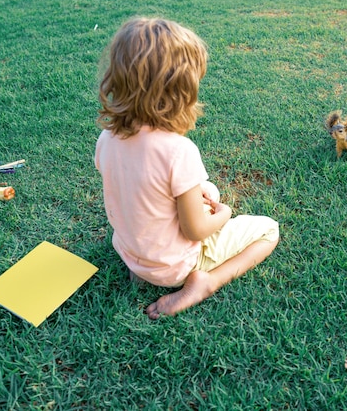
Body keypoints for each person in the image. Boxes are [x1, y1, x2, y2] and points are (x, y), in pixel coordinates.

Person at [95, 17, 279, 319]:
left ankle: (142, 272)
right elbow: (195, 230)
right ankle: (206, 283)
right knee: (269, 230)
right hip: (174, 265)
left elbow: (134, 187)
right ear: (179, 91)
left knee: (207, 189)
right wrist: (225, 215)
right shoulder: (178, 151)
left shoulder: (108, 138)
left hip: (129, 252)